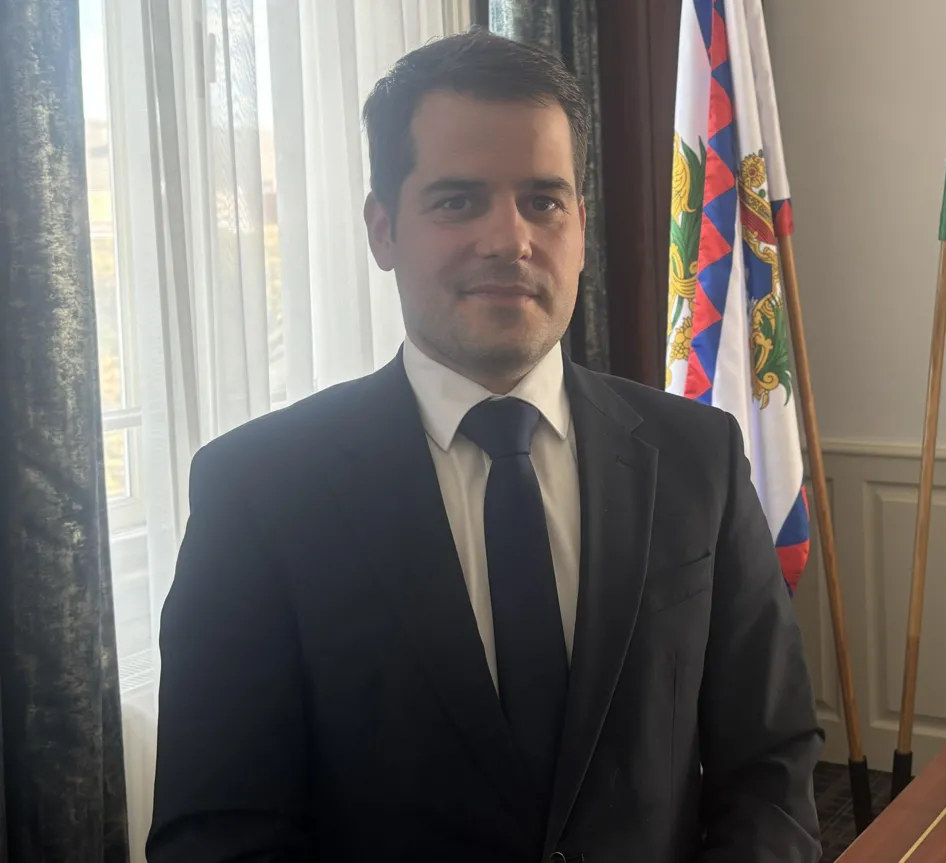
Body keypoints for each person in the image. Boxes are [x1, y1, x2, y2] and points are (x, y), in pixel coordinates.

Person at [147, 30, 823, 863]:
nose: (510, 240)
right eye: (458, 200)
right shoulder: (256, 489)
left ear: (580, 223)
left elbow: (772, 762)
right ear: (383, 229)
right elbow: (217, 830)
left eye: (544, 200)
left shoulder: (699, 457)